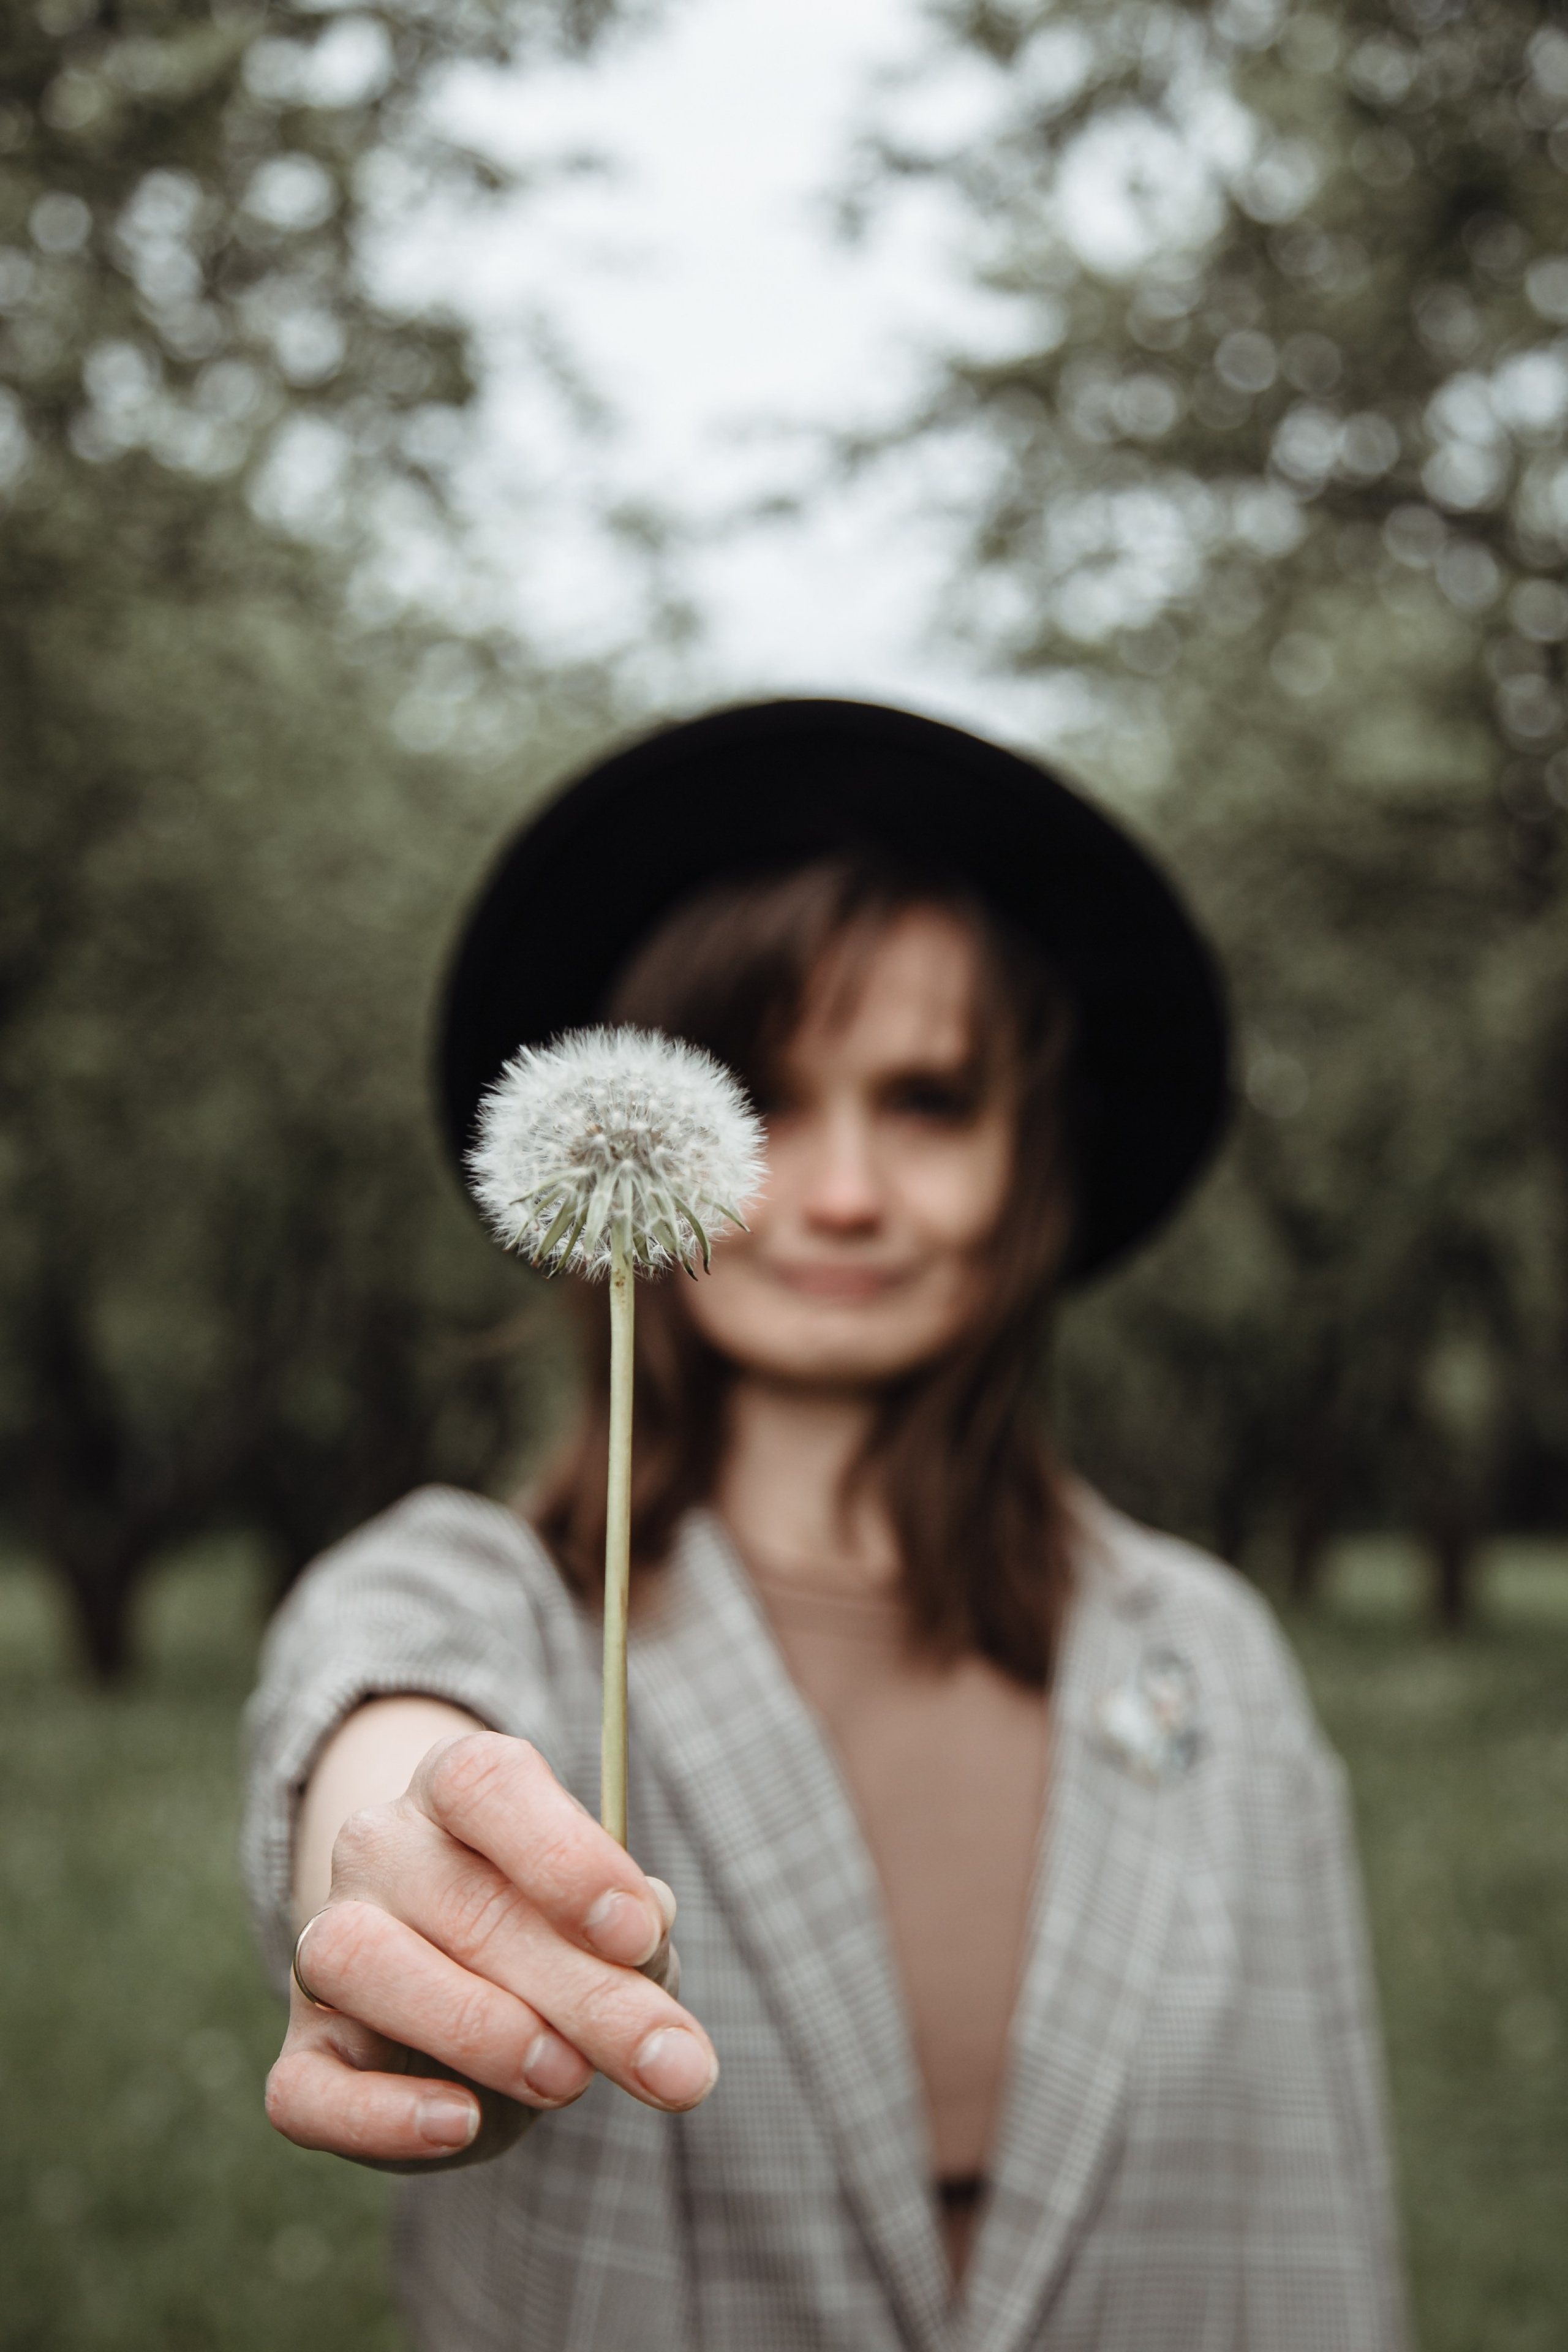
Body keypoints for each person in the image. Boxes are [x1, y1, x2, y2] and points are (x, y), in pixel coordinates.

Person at [244, 699, 1407, 2351]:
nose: (847, 1193)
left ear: (1033, 1155)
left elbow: (1316, 2189)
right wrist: (410, 1894)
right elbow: (383, 1717)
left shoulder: (1209, 1652)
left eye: (928, 1100)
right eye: (765, 1099)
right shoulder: (489, 1593)